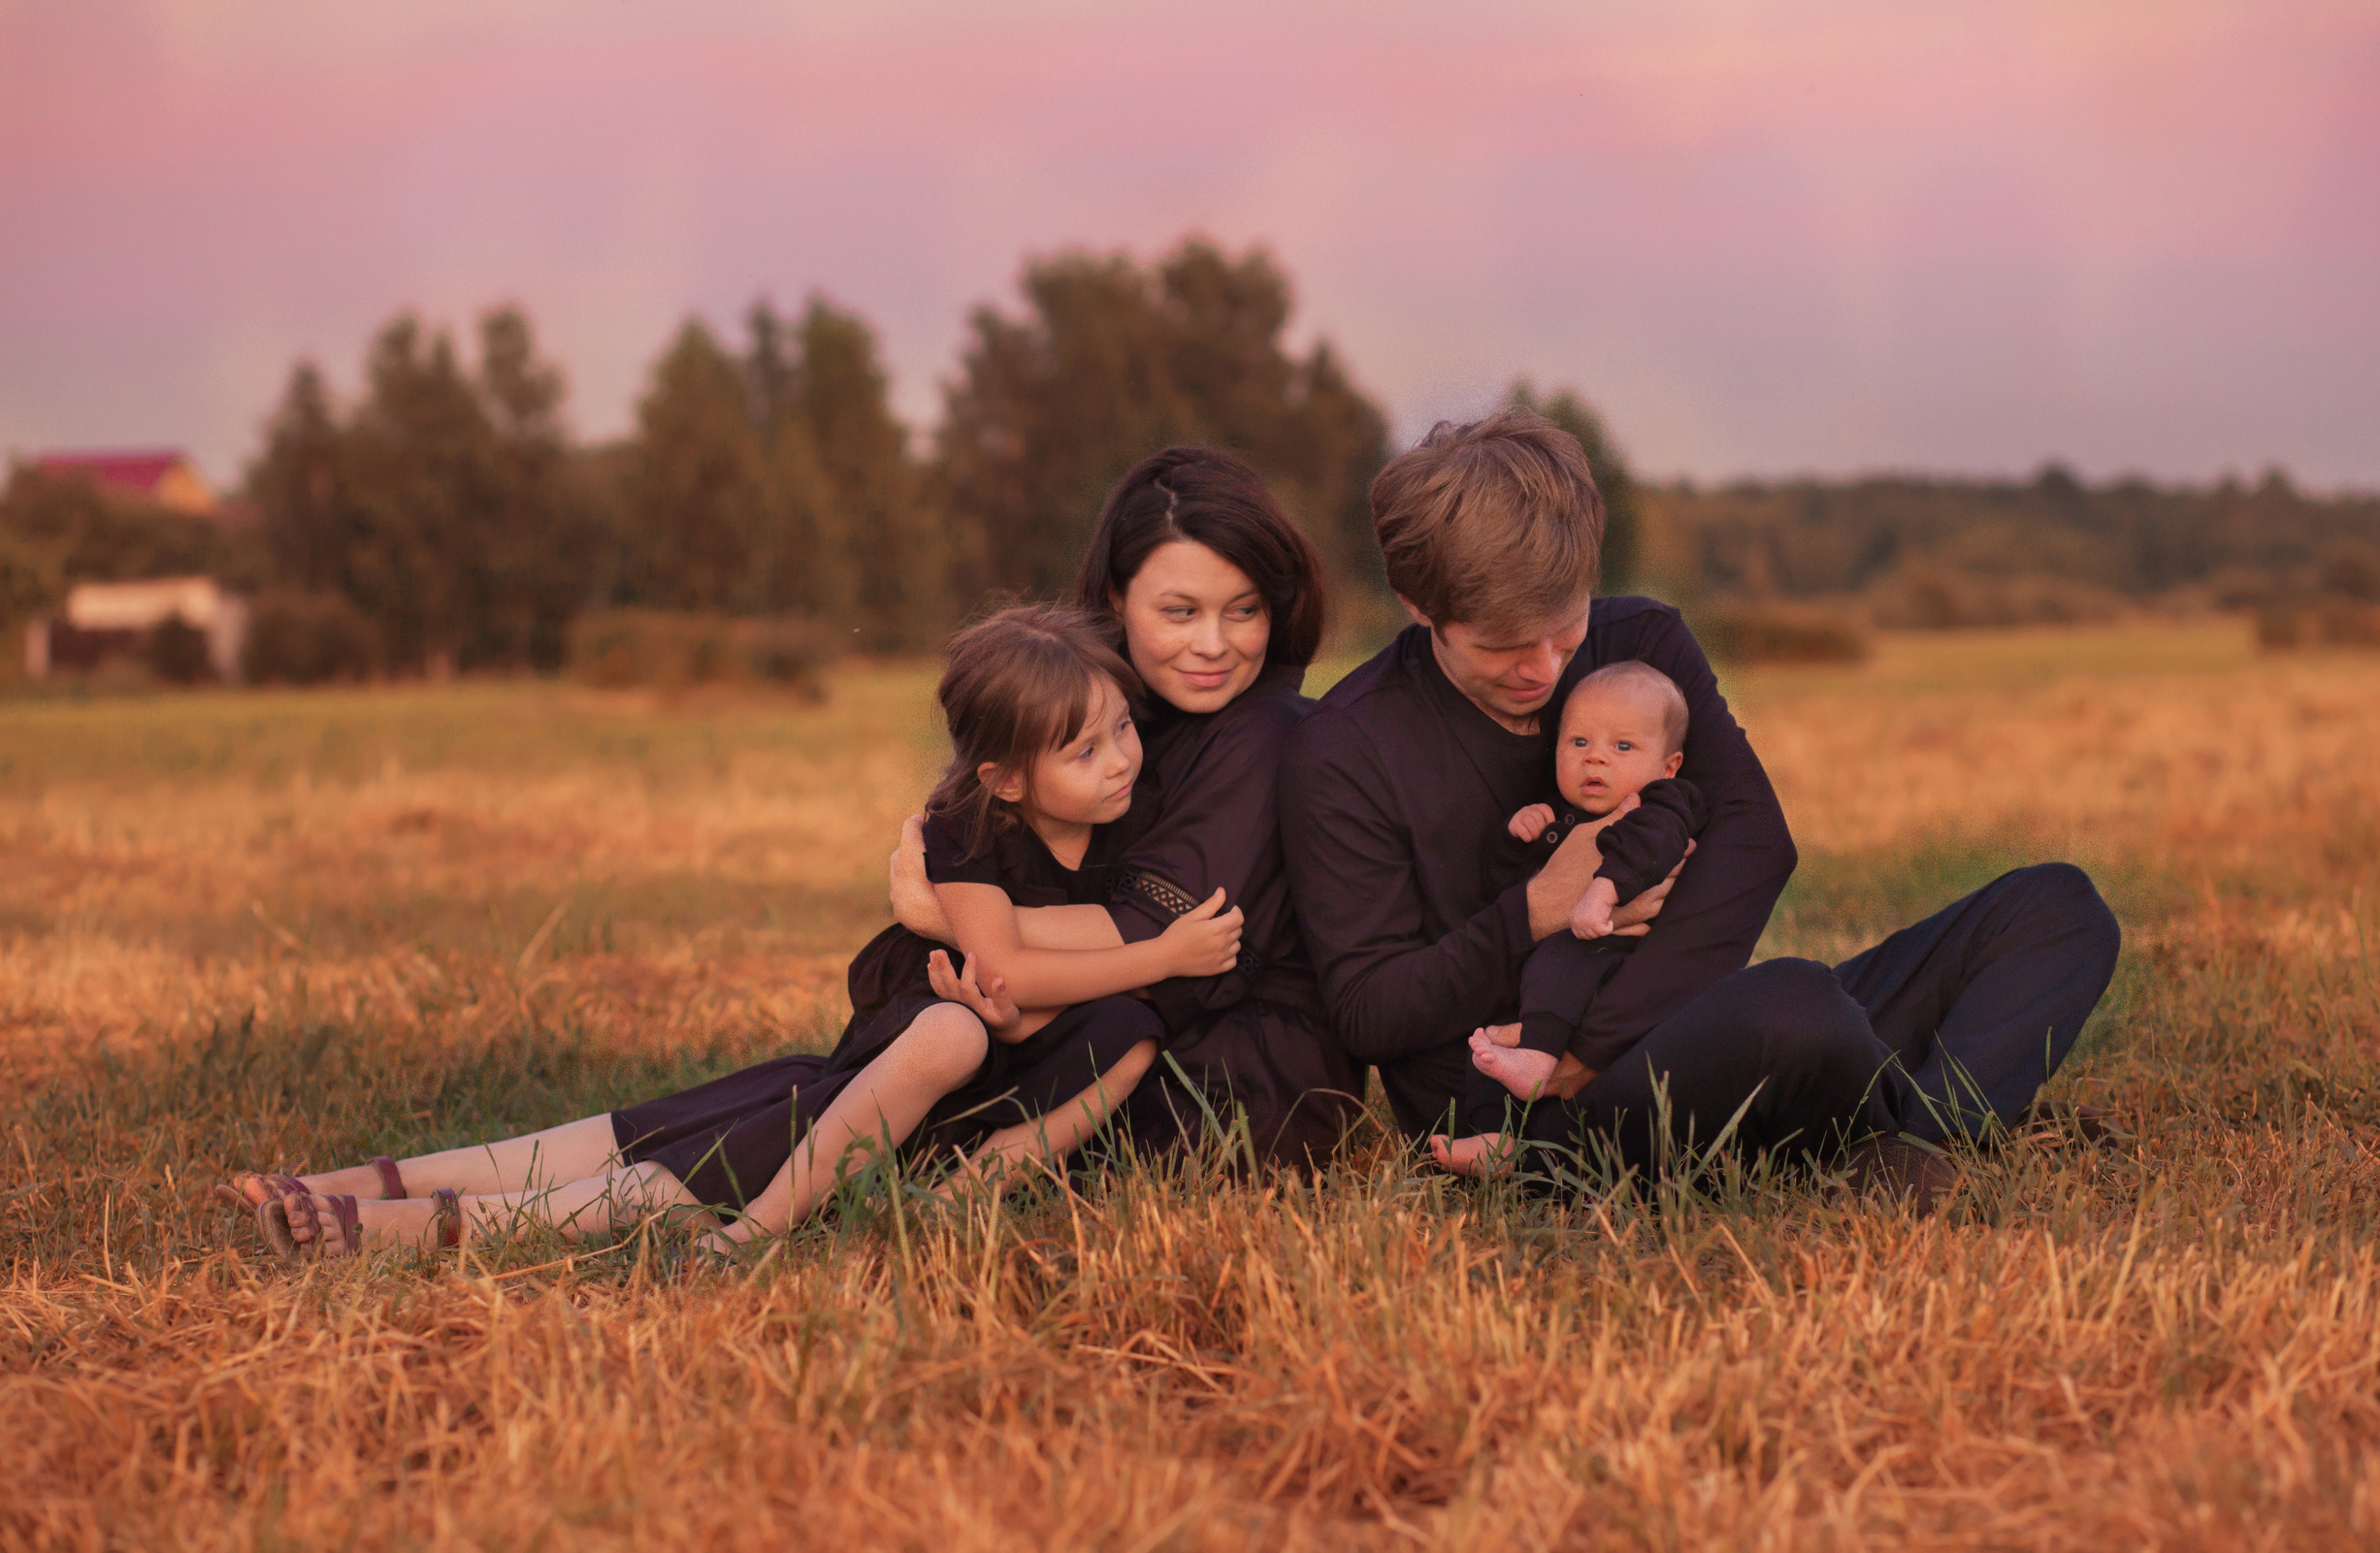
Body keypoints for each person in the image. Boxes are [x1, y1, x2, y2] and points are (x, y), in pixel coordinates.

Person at [1278, 406, 2121, 1206]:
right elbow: (1369, 1009)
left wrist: (1587, 1040)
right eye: (1503, 644)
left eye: (1565, 631)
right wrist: (1533, 912)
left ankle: (1918, 1138)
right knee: (1797, 1009)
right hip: (1528, 1114)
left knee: (2056, 910)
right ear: (1420, 606)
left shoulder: (1641, 641)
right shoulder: (1347, 748)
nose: (1543, 667)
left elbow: (1755, 844)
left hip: (1696, 1030)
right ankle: (1931, 1107)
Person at [218, 605, 1220, 1258]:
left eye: (1121, 729)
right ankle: (355, 1203)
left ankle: (365, 1221)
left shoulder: (1134, 826)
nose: (1120, 759)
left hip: (957, 1121)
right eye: (1084, 749)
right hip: (877, 1084)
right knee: (625, 1152)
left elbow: (1035, 1001)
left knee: (1128, 1030)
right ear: (1004, 776)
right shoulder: (970, 827)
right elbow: (999, 971)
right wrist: (1162, 955)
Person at [892, 447, 1367, 1171]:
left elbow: (1166, 937)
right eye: (1181, 612)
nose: (1214, 645)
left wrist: (955, 918)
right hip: (1103, 1023)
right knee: (864, 1080)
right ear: (1115, 598)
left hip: (1233, 1083)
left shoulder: (1270, 734)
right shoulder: (1114, 713)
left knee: (892, 1120)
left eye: (1244, 610)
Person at [1463, 659, 1708, 1113]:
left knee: (1562, 956)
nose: (1594, 757)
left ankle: (1538, 1058)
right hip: (1547, 970)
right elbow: (1512, 892)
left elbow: (1648, 847)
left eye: (1622, 745)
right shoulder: (1559, 815)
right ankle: (1491, 1138)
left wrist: (1602, 892)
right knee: (1486, 1039)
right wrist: (1514, 840)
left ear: (1668, 766)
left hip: (1610, 955)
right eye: (1579, 741)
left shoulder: (1662, 805)